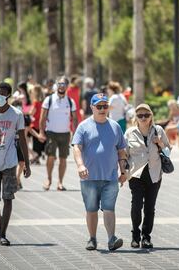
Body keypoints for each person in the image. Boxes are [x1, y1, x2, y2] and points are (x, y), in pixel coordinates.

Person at [72, 93, 127, 251]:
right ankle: (92, 238)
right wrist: (80, 165)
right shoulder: (83, 126)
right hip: (89, 177)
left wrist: (123, 171)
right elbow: (77, 148)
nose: (103, 109)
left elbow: (121, 151)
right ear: (92, 108)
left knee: (109, 208)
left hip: (110, 177)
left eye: (105, 106)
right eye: (99, 106)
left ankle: (111, 239)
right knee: (91, 209)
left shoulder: (115, 126)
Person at [0, 82, 31, 246]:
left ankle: (3, 234)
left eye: (2, 94)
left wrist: (27, 164)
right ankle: (0, 221)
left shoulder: (16, 114)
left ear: (8, 96)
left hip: (10, 163)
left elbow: (23, 140)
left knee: (8, 198)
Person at [124, 104, 171, 248]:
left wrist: (160, 143)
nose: (143, 118)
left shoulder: (159, 131)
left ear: (151, 116)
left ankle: (146, 237)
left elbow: (168, 151)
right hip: (136, 175)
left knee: (150, 207)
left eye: (146, 115)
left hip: (154, 174)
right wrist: (122, 172)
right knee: (136, 205)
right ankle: (135, 236)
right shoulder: (129, 133)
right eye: (140, 115)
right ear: (136, 118)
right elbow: (124, 155)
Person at [39, 76, 78, 191]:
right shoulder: (49, 99)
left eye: (64, 84)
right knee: (50, 156)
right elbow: (42, 117)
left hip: (65, 133)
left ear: (67, 86)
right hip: (51, 132)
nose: (61, 86)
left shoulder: (70, 101)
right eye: (60, 84)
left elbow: (75, 118)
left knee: (63, 158)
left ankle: (60, 182)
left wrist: (75, 133)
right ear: (57, 85)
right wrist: (41, 132)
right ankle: (48, 179)